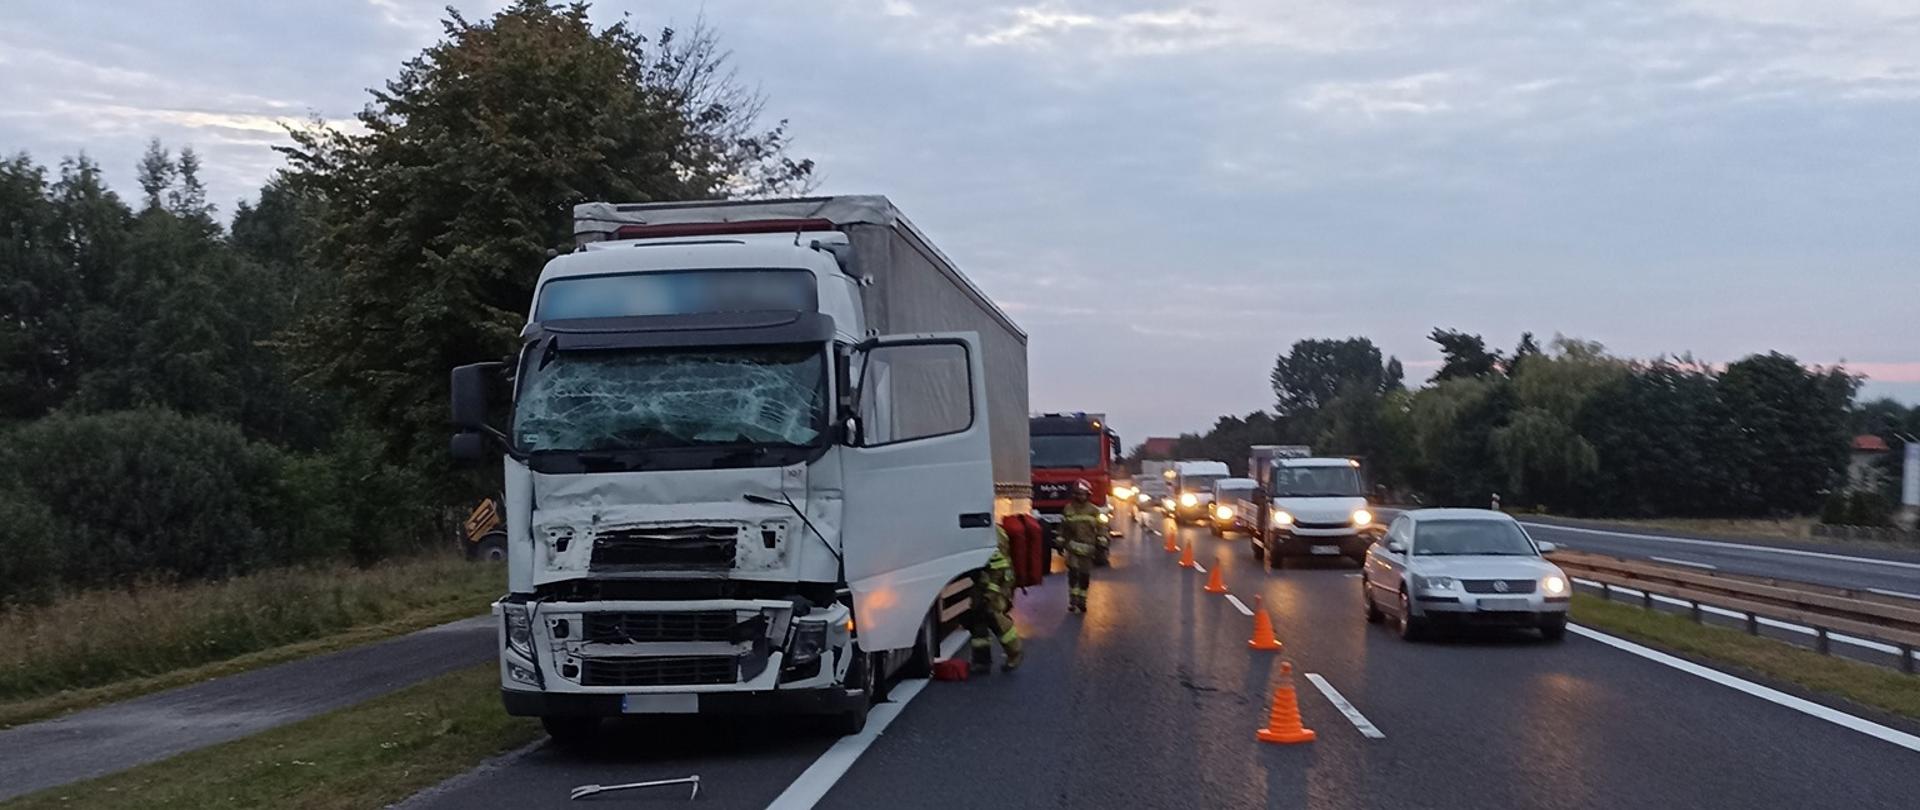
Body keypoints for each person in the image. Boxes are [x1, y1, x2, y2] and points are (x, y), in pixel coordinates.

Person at [970, 525, 1024, 673]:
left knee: (994, 616)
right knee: (978, 618)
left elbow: (999, 567)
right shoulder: (980, 532)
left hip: (998, 582)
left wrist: (990, 594)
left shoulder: (993, 535)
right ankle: (981, 661)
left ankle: (1015, 651)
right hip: (983, 582)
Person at [1061, 479, 1102, 614]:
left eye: (1083, 494)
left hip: (1088, 547)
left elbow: (1101, 527)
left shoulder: (1094, 510)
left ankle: (1082, 601)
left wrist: (1102, 541)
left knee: (1084, 575)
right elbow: (1063, 527)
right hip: (1072, 547)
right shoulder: (1068, 509)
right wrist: (1060, 541)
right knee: (1073, 573)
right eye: (1078, 494)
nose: (1080, 497)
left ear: (1088, 495)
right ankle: (1073, 601)